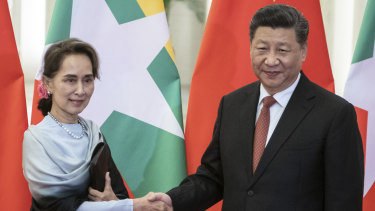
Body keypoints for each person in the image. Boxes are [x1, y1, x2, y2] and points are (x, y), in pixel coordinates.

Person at [150, 4, 364, 211]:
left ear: (303, 51)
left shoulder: (334, 114)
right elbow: (213, 177)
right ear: (251, 47)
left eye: (282, 50)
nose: (271, 60)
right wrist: (171, 201)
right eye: (262, 49)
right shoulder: (232, 104)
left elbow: (343, 201)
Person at [22, 38, 172, 211]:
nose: (80, 90)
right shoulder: (36, 139)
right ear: (48, 83)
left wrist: (115, 201)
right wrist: (132, 205)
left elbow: (119, 194)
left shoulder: (93, 132)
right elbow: (56, 206)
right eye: (70, 80)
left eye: (87, 80)